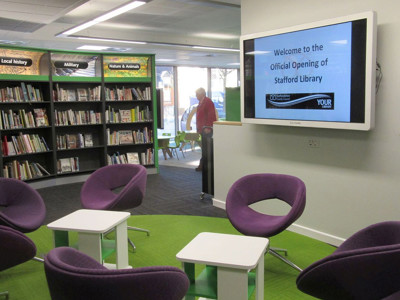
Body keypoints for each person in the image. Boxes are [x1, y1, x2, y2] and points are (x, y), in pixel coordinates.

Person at [195, 87, 217, 171]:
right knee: (204, 148)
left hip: (207, 129)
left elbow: (211, 115)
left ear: (202, 94)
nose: (196, 96)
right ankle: (203, 165)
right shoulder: (200, 103)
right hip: (202, 129)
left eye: (197, 94)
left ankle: (205, 166)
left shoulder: (208, 102)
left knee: (206, 149)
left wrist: (208, 127)